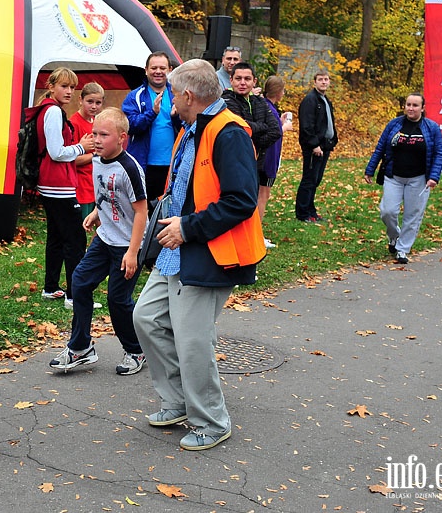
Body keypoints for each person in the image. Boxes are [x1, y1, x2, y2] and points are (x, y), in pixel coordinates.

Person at [132, 59, 265, 451]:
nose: (170, 98)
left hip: (210, 251)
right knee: (147, 318)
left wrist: (187, 227)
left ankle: (210, 420)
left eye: (174, 91)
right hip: (180, 247)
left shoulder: (229, 133)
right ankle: (176, 402)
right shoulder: (192, 127)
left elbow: (241, 201)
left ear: (188, 95)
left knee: (192, 340)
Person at [49, 108, 148, 375]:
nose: (97, 139)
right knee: (79, 282)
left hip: (127, 245)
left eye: (104, 135)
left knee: (118, 300)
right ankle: (81, 348)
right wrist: (96, 212)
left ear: (122, 138)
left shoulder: (129, 168)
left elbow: (141, 212)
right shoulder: (95, 160)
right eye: (94, 134)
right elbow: (106, 193)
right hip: (105, 240)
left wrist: (132, 252)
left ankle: (137, 350)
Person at [36, 68, 95, 308]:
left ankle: (51, 287)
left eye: (72, 87)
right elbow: (57, 152)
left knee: (57, 238)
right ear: (51, 87)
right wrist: (81, 147)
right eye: (64, 86)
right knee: (75, 239)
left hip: (50, 183)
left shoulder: (48, 110)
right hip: (58, 185)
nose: (69, 91)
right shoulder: (52, 112)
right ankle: (74, 295)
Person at [363, 93, 442, 264]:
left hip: (419, 179)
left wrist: (434, 177)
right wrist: (370, 169)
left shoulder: (432, 128)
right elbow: (380, 148)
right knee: (387, 211)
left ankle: (402, 249)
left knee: (412, 215)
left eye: (415, 105)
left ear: (422, 108)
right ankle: (394, 236)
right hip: (394, 176)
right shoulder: (394, 124)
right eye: (408, 104)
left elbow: (439, 153)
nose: (411, 108)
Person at [221, 63, 282, 234]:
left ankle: (248, 239)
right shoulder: (226, 101)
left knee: (251, 203)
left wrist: (254, 138)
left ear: (254, 81)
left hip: (256, 164)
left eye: (247, 79)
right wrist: (260, 126)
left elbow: (275, 130)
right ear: (231, 80)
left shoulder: (259, 102)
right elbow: (240, 129)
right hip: (234, 165)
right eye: (238, 78)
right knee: (234, 204)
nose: (242, 83)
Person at [121, 52, 178, 201]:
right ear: (146, 70)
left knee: (166, 210)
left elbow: (190, 126)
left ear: (170, 70)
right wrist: (152, 113)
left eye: (162, 67)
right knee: (142, 209)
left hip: (172, 166)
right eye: (154, 68)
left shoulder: (178, 95)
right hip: (143, 165)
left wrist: (176, 116)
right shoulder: (135, 96)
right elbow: (129, 126)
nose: (158, 71)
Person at [295, 71, 337, 223]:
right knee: (309, 179)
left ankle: (311, 211)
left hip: (325, 146)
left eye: (326, 79)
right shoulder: (310, 100)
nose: (324, 82)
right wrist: (314, 145)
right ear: (314, 82)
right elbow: (306, 125)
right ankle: (302, 213)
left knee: (316, 180)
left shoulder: (324, 100)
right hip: (314, 148)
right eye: (320, 80)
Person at [260, 75, 295, 246]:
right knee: (262, 195)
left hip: (267, 160)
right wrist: (284, 127)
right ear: (279, 91)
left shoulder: (268, 108)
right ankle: (257, 234)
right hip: (267, 161)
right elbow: (272, 134)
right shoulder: (269, 109)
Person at [70, 82, 105, 218]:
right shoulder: (74, 123)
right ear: (80, 100)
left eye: (98, 103)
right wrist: (95, 155)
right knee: (82, 226)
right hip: (81, 186)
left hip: (95, 183)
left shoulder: (95, 121)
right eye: (90, 102)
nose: (94, 106)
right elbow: (72, 160)